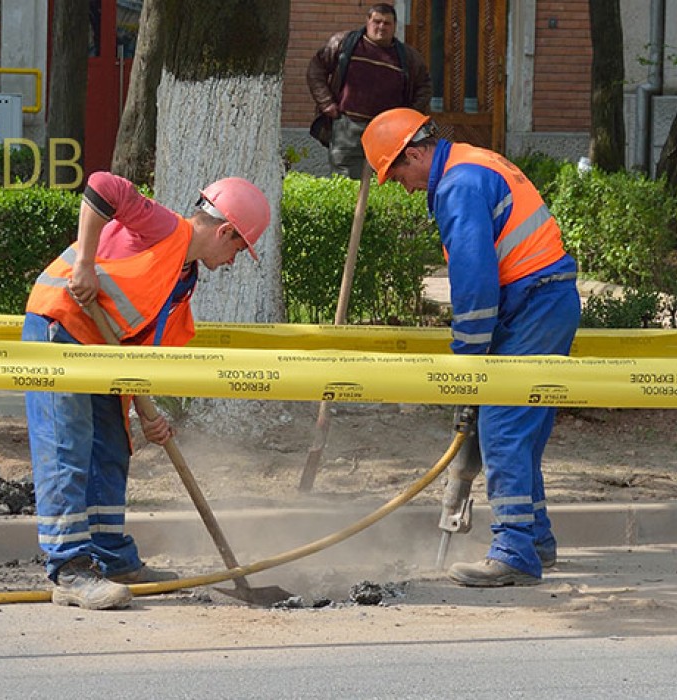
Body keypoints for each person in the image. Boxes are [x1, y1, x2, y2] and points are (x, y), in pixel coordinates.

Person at [23, 172, 271, 609]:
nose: (234, 260)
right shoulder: (164, 228)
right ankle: (70, 570)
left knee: (112, 448)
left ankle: (112, 559)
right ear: (226, 230)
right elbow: (102, 185)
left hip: (100, 349)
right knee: (68, 446)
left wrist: (150, 415)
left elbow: (140, 352)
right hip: (60, 326)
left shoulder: (182, 279)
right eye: (238, 248)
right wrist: (83, 263)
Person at [361, 108, 580, 588]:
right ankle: (535, 537)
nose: (403, 185)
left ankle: (515, 551)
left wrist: (467, 364)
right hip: (542, 301)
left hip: (534, 304)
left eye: (398, 174)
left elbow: (475, 283)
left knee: (502, 424)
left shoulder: (458, 184)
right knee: (523, 428)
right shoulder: (472, 162)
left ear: (415, 153)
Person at [306, 3, 433, 179]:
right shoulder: (344, 44)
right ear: (367, 22)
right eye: (377, 22)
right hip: (348, 127)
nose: (381, 27)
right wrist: (327, 103)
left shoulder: (408, 57)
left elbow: (424, 87)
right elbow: (316, 68)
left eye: (387, 23)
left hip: (388, 133)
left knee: (386, 180)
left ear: (395, 26)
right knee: (344, 181)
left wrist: (408, 117)